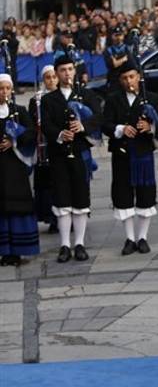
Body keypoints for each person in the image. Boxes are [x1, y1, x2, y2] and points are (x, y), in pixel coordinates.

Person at [102, 62, 158, 255]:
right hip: (122, 154)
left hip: (143, 153)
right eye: (124, 78)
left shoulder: (151, 98)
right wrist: (121, 129)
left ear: (138, 76)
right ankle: (130, 238)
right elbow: (105, 124)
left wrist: (151, 127)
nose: (128, 81)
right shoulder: (114, 99)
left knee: (146, 194)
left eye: (131, 77)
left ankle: (142, 237)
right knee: (123, 195)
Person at [41, 55, 102, 263]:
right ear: (57, 74)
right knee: (62, 199)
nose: (67, 74)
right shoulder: (49, 99)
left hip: (80, 154)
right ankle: (65, 245)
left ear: (74, 71)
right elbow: (46, 125)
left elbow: (98, 117)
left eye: (70, 69)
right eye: (63, 70)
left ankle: (80, 243)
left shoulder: (86, 94)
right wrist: (60, 134)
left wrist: (83, 127)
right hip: (59, 157)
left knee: (80, 198)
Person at [0, 74, 39, 267]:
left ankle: (17, 250)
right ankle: (4, 251)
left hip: (15, 169)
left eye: (7, 88)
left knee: (16, 208)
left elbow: (32, 133)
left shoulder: (19, 111)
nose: (4, 92)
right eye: (1, 88)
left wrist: (15, 139)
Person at [28, 65, 58, 234]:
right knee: (46, 185)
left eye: (54, 76)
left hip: (60, 145)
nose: (52, 80)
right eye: (48, 77)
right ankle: (51, 217)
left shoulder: (64, 95)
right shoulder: (36, 100)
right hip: (42, 149)